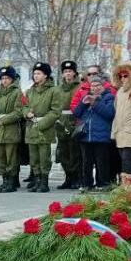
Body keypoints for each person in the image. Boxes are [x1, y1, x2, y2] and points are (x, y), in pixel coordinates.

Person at [73, 75, 115, 190]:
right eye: (92, 86)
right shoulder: (86, 96)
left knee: (101, 162)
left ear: (103, 86)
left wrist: (94, 103)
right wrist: (83, 103)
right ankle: (87, 184)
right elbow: (76, 113)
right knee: (86, 162)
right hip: (86, 135)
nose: (95, 88)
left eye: (98, 85)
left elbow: (109, 113)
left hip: (101, 136)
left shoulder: (108, 97)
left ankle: (103, 184)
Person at [21, 62, 58, 193]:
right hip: (31, 127)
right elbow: (24, 105)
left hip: (44, 129)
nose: (35, 76)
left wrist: (41, 124)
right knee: (34, 157)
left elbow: (55, 111)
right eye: (34, 73)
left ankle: (44, 181)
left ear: (45, 75)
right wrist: (26, 113)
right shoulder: (30, 91)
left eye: (39, 73)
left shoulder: (53, 91)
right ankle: (36, 180)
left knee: (44, 157)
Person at [0, 66, 22, 193]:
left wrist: (4, 120)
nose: (4, 81)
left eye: (7, 78)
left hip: (10, 130)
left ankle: (12, 182)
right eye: (2, 78)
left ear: (12, 79)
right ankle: (4, 180)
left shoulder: (17, 93)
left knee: (11, 158)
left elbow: (18, 112)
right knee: (0, 157)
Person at [55, 61, 82, 190]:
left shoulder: (80, 87)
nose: (68, 74)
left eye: (70, 71)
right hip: (61, 121)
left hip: (74, 120)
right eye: (65, 72)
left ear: (75, 73)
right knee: (63, 152)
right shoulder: (58, 89)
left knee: (74, 152)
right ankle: (68, 177)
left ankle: (76, 177)